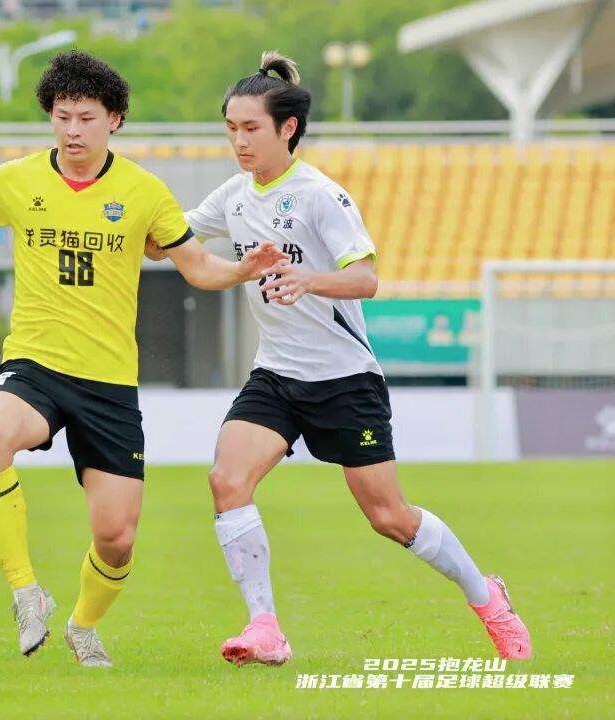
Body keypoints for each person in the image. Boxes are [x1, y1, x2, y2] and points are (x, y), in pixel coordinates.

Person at [0, 50, 282, 667]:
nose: (72, 131)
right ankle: (25, 592)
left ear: (114, 119)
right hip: (34, 366)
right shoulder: (15, 180)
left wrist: (243, 269)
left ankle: (83, 626)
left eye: (86, 118)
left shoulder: (144, 191)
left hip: (109, 384)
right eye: (62, 117)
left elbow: (196, 267)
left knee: (116, 540)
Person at [152, 51, 531, 664]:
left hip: (343, 380)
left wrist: (307, 279)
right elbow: (166, 243)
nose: (239, 141)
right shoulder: (233, 195)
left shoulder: (320, 195)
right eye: (231, 128)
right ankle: (265, 628)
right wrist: (137, 221)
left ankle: (487, 597)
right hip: (276, 376)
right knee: (227, 480)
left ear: (287, 129)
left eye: (251, 128)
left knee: (389, 517)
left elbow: (366, 279)